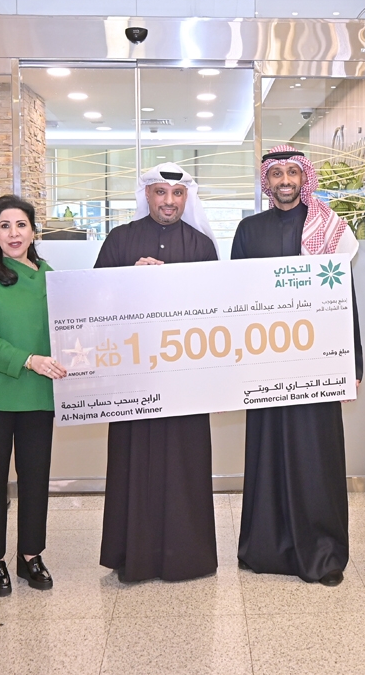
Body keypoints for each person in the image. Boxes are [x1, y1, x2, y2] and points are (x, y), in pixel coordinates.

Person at [232, 145, 363, 586]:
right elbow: (234, 299)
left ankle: (323, 554)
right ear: (266, 181)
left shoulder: (328, 229)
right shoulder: (249, 230)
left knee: (314, 455)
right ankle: (264, 548)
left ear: (304, 178)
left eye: (292, 172)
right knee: (268, 452)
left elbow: (343, 297)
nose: (285, 181)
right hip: (265, 363)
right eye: (277, 174)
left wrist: (352, 362)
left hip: (318, 362)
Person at [94, 162, 220, 582]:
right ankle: (133, 556)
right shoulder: (120, 240)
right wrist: (130, 279)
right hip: (132, 377)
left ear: (187, 198)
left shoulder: (201, 245)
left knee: (186, 463)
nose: (169, 201)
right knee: (134, 460)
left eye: (177, 193)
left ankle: (188, 556)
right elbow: (92, 302)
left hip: (185, 378)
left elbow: (216, 311)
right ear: (146, 195)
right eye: (161, 192)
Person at [0, 195, 66, 596]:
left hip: (38, 395)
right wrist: (29, 360)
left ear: (33, 231)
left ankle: (30, 555)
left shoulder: (51, 276)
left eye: (21, 225)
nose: (14, 233)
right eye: (5, 226)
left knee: (36, 479)